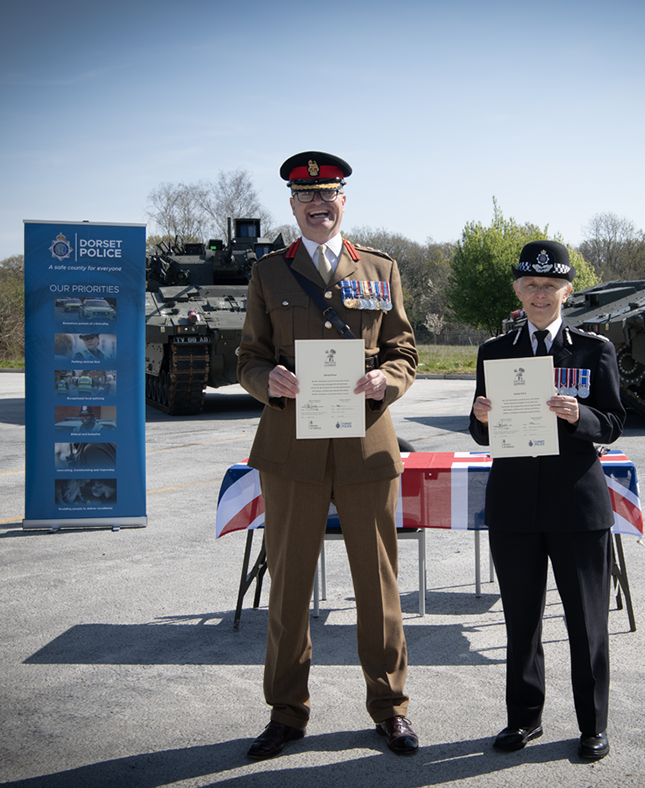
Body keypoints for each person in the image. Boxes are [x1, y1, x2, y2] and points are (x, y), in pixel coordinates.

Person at [236, 151, 419, 759]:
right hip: (292, 449)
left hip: (365, 447)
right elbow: (249, 358)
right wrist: (270, 384)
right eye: (306, 197)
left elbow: (403, 352)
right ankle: (286, 713)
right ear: (292, 205)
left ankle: (390, 708)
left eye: (330, 194)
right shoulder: (269, 272)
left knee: (379, 586)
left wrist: (384, 383)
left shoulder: (380, 268)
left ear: (345, 201)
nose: (319, 204)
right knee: (289, 588)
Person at [469, 240, 625, 760]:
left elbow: (615, 422)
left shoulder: (593, 350)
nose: (541, 295)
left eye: (550, 285)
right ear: (518, 289)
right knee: (521, 621)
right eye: (531, 286)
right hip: (515, 507)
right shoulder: (494, 352)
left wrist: (580, 416)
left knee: (586, 623)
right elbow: (480, 433)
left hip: (577, 506)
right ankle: (524, 719)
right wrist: (482, 418)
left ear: (567, 291)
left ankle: (592, 725)